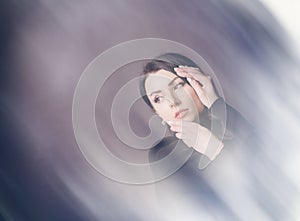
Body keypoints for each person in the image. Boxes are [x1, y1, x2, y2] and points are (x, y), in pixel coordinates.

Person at [140, 53, 254, 168]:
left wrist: (214, 102)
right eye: (158, 99)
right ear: (156, 112)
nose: (173, 102)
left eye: (177, 86)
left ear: (197, 84)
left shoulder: (236, 131)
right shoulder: (163, 154)